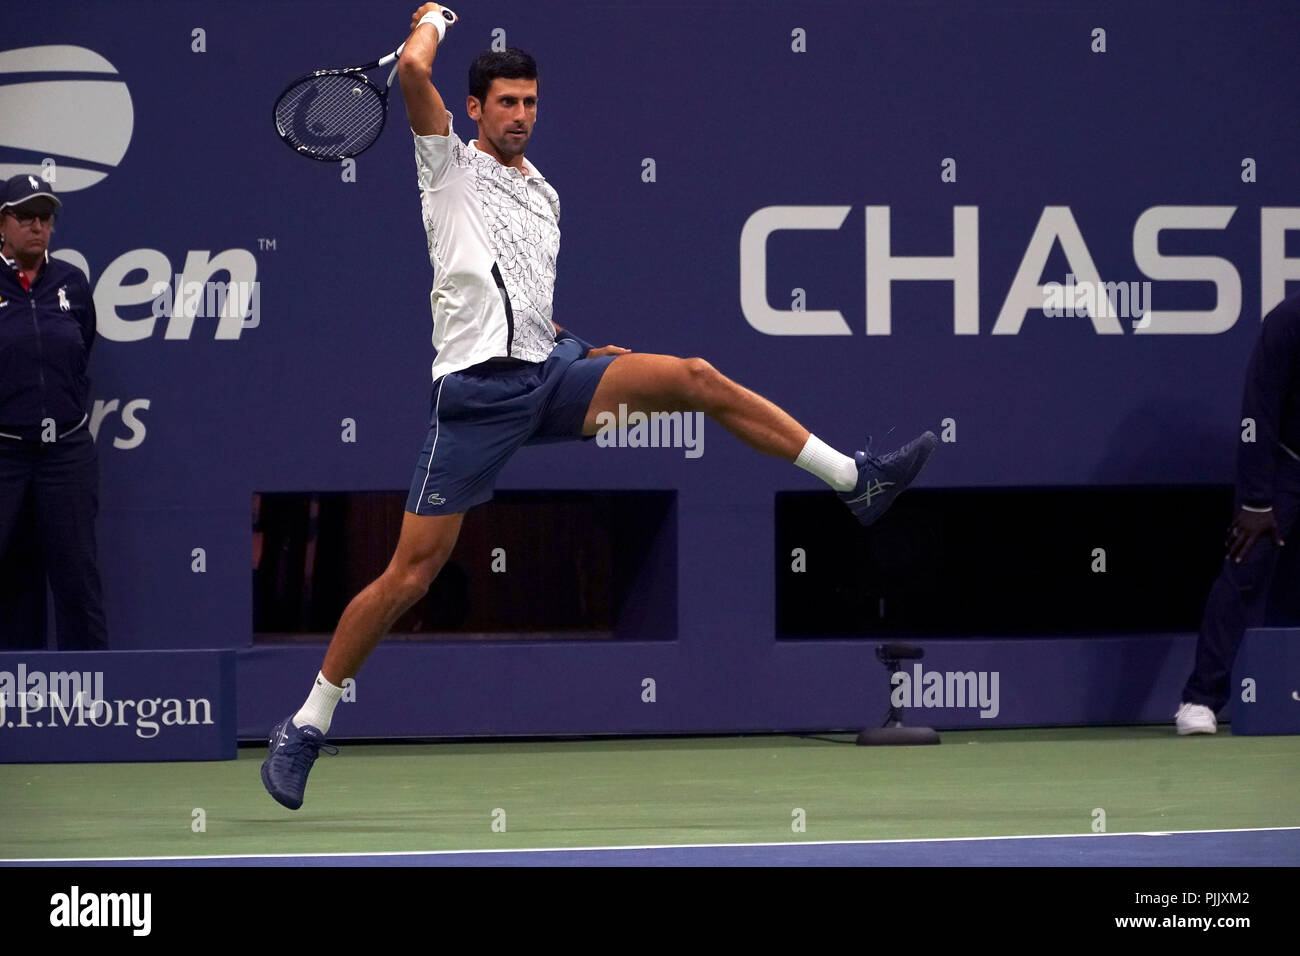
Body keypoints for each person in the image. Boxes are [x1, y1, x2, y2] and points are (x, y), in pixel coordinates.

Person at [261, 4, 937, 809]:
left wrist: (582, 351)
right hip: (474, 402)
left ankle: (852, 482)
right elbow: (412, 71)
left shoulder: (544, 194)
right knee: (409, 574)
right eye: (505, 102)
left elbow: (530, 305)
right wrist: (433, 17)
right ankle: (305, 725)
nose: (520, 116)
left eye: (530, 102)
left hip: (548, 375)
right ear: (474, 110)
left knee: (693, 377)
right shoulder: (447, 165)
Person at [1175, 289, 1300, 734]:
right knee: (1248, 563)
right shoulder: (1289, 319)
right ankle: (1201, 699)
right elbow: (1257, 413)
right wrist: (1257, 501)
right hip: (1286, 465)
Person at [0, 174, 107, 650]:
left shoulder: (71, 282)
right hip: (4, 453)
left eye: (45, 218)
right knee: (13, 578)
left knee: (76, 576)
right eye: (26, 217)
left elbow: (82, 347)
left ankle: (94, 697)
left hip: (65, 451)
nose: (37, 227)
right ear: (3, 223)